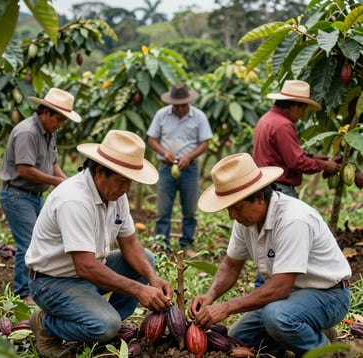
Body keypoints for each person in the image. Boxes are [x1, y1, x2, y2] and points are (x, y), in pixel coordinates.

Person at [25, 130, 173, 358]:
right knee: (106, 325)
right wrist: (139, 289)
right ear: (100, 172)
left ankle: (95, 320)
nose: (127, 189)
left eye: (129, 182)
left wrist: (152, 279)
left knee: (146, 260)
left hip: (86, 273)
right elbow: (85, 266)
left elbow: (130, 243)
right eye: (122, 181)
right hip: (52, 282)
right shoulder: (74, 199)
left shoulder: (116, 194)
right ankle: (46, 324)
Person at [188, 153, 351, 357]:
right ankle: (309, 332)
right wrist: (210, 296)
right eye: (229, 209)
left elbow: (280, 288)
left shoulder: (293, 220)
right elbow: (231, 265)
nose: (232, 216)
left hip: (329, 295)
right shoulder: (246, 220)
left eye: (237, 208)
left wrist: (226, 308)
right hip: (291, 299)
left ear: (260, 197)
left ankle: (323, 350)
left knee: (276, 317)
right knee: (240, 337)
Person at [0, 88, 81, 306]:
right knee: (27, 245)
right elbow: (24, 170)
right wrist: (57, 182)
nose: (61, 124)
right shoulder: (27, 132)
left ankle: (36, 288)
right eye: (59, 119)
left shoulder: (48, 131)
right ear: (46, 112)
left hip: (34, 195)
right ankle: (22, 294)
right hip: (17, 195)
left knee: (40, 243)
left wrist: (68, 182)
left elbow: (53, 164)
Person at [147, 83, 213, 255]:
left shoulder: (198, 117)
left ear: (188, 102)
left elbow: (205, 143)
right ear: (172, 103)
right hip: (166, 167)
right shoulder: (162, 115)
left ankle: (187, 242)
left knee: (190, 209)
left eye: (183, 105)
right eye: (177, 105)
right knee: (163, 209)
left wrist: (189, 157)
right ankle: (162, 242)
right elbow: (152, 139)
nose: (180, 109)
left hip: (189, 169)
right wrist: (164, 152)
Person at [253, 80, 340, 198]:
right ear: (293, 106)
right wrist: (324, 165)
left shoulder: (266, 119)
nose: (303, 114)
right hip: (279, 188)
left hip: (267, 185)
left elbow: (280, 154)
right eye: (303, 109)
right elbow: (296, 162)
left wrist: (311, 157)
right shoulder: (283, 125)